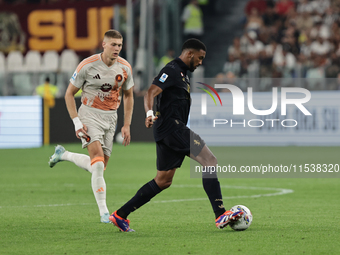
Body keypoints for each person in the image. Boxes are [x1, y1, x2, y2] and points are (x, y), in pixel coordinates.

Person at [109, 39, 244, 232]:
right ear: (190, 54)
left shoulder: (183, 75)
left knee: (163, 181)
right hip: (172, 127)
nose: (200, 62)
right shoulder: (171, 70)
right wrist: (148, 113)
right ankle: (220, 214)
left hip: (168, 129)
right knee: (210, 161)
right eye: (199, 58)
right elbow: (150, 93)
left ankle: (120, 215)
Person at [48, 29, 134, 223]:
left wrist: (127, 124)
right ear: (104, 44)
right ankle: (104, 212)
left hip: (111, 118)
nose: (117, 49)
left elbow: (128, 95)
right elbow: (69, 93)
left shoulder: (125, 68)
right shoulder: (87, 65)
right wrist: (77, 121)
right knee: (97, 160)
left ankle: (64, 155)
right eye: (113, 44)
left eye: (119, 45)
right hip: (89, 114)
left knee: (99, 167)